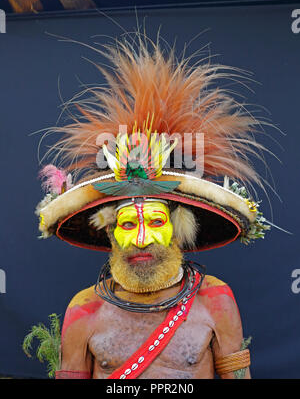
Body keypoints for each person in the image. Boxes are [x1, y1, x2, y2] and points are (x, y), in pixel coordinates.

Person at [36, 36, 271, 379]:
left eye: (156, 221)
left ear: (179, 228)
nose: (142, 239)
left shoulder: (215, 300)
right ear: (111, 233)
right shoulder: (84, 309)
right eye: (129, 224)